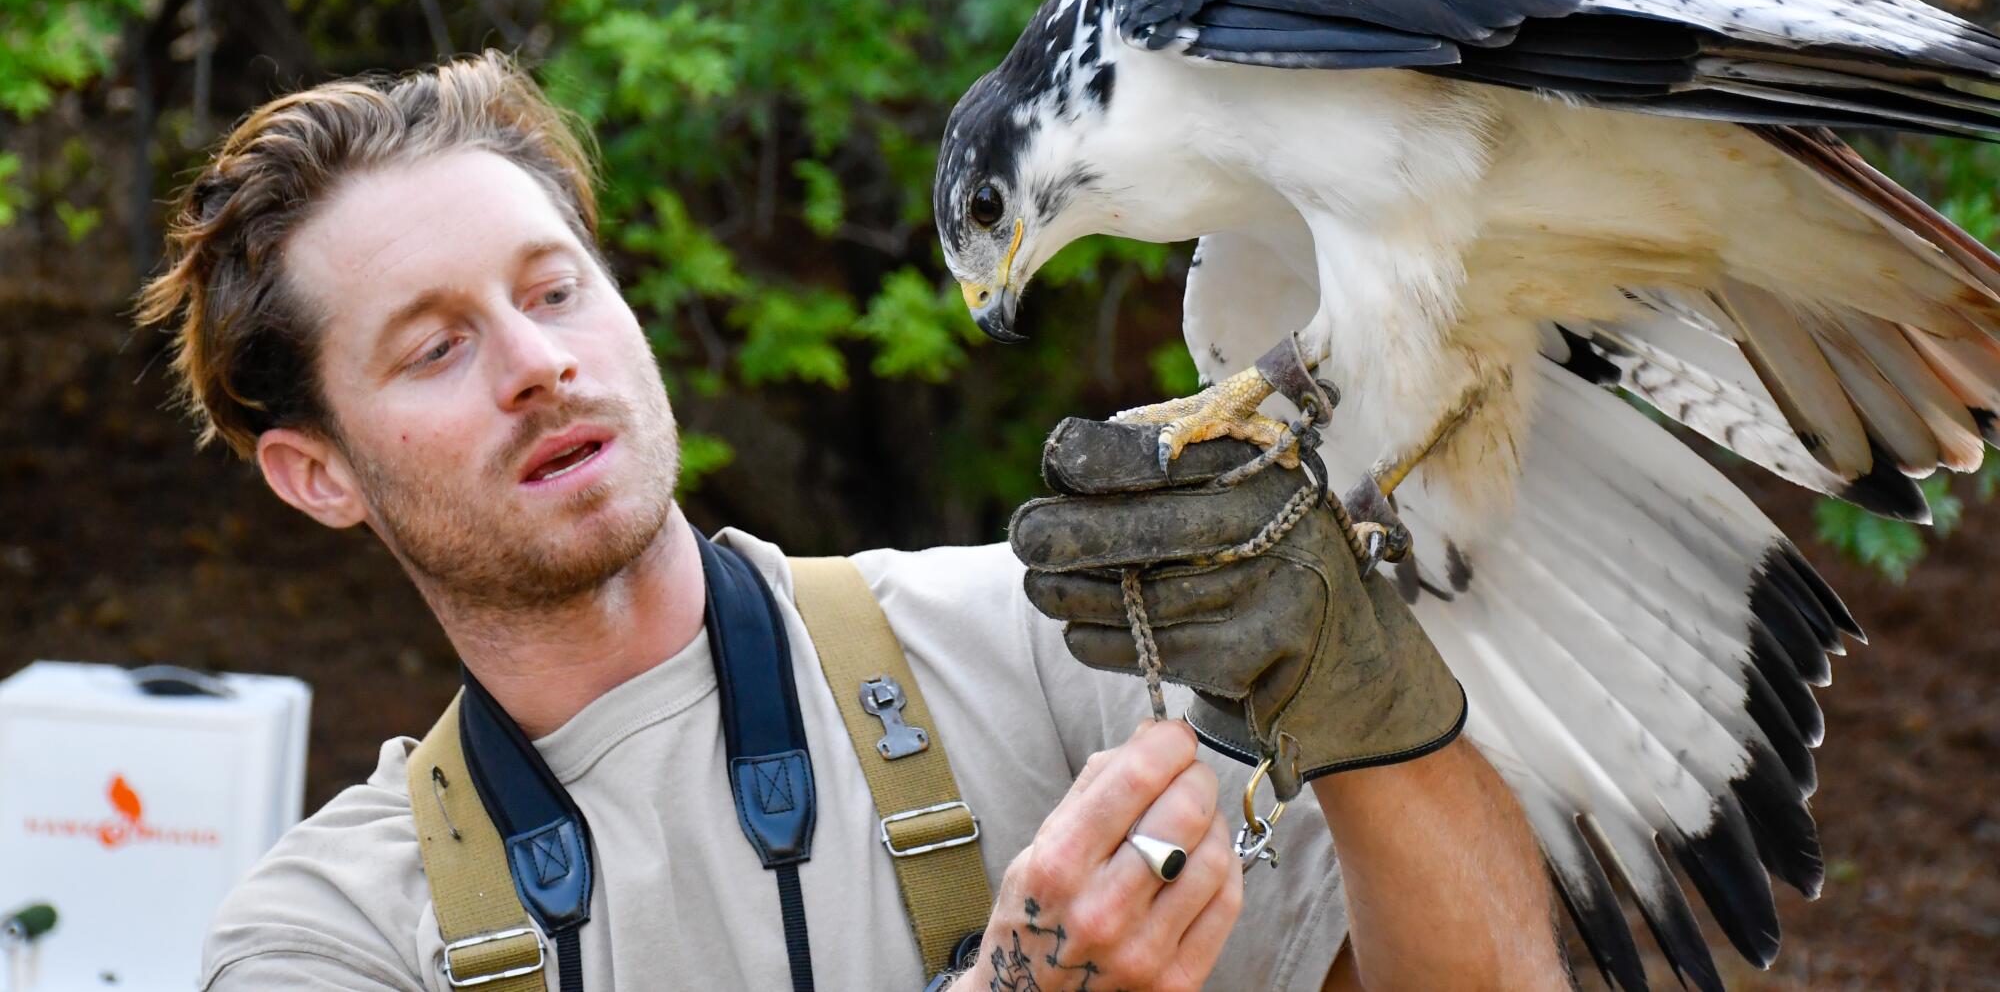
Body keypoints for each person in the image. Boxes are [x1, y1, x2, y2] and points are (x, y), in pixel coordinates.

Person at [137, 52, 1565, 990]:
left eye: (554, 286)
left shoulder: (1049, 638)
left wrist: (1381, 715)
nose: (537, 361)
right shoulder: (330, 935)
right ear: (313, 470)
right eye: (435, 346)